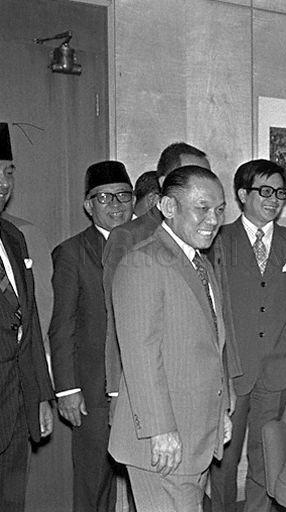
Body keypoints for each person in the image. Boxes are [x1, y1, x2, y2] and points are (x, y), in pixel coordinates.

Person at [108, 165, 233, 511]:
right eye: (202, 208)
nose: (213, 219)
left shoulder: (199, 262)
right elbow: (140, 356)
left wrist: (220, 410)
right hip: (164, 442)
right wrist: (160, 430)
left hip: (196, 433)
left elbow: (211, 345)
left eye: (220, 209)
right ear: (168, 207)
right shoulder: (143, 262)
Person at [208, 159, 286, 512]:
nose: (274, 200)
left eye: (280, 193)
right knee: (223, 460)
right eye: (265, 191)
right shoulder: (218, 240)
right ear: (243, 194)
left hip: (279, 371)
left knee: (265, 459)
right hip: (232, 372)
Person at [49, 160, 133, 512]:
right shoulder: (72, 252)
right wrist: (67, 389)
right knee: (94, 481)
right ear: (88, 205)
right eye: (104, 197)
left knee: (144, 480)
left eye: (123, 195)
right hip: (93, 389)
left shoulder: (148, 245)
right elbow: (62, 325)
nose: (115, 204)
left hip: (140, 386)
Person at [103, 142, 209, 398]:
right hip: (150, 382)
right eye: (189, 176)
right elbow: (118, 319)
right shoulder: (130, 236)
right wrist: (117, 388)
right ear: (163, 183)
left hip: (202, 378)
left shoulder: (208, 234)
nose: (200, 185)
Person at [0, 121, 54, 512]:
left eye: (8, 172)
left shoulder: (13, 238)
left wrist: (40, 397)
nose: (3, 184)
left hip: (15, 406)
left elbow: (29, 325)